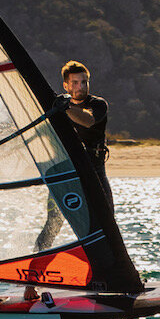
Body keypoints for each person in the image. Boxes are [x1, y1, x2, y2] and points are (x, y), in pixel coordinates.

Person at [58, 60, 112, 208]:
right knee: (54, 220)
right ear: (65, 86)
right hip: (68, 166)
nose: (80, 86)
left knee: (107, 216)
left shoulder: (98, 104)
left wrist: (66, 108)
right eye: (75, 82)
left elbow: (88, 120)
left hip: (94, 167)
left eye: (84, 82)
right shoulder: (58, 107)